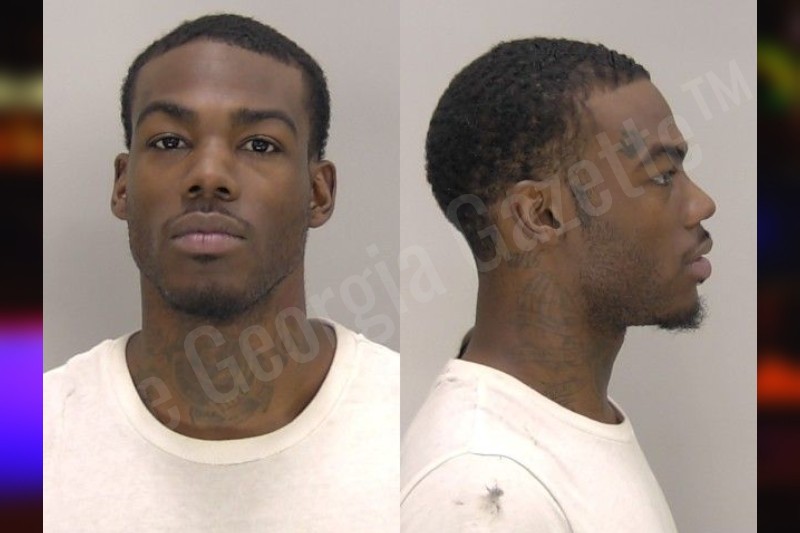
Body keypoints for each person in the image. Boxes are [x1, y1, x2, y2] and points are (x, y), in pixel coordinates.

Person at [43, 13, 398, 532]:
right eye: (169, 142)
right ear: (122, 185)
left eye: (259, 145)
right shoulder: (30, 438)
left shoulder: (407, 432)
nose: (208, 176)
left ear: (318, 193)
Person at [401, 37, 716, 531]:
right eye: (661, 175)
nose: (700, 204)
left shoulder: (567, 430)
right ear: (540, 215)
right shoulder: (483, 488)